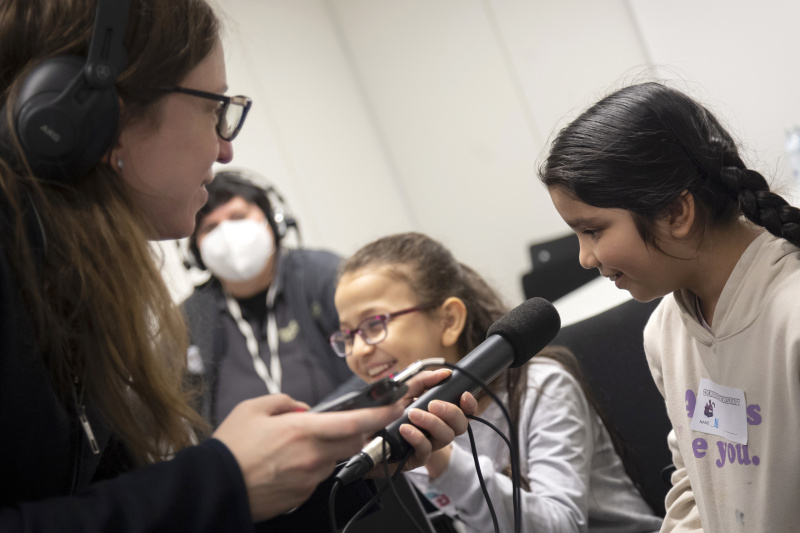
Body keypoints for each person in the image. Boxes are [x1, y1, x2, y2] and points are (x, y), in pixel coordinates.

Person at [0, 1, 473, 531]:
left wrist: (345, 472)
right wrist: (224, 479)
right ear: (99, 115)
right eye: (214, 109)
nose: (226, 149)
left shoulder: (74, 287)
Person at [539, 82, 800, 532]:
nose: (584, 257)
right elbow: (697, 483)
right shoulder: (665, 331)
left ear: (677, 213)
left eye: (594, 231)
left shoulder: (791, 315)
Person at [331, 232, 663, 532]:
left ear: (448, 320)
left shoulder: (541, 388)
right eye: (347, 336)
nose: (358, 350)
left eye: (374, 325)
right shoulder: (394, 427)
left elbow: (562, 526)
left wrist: (443, 461)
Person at [183, 170, 354, 425]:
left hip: (349, 449)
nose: (227, 236)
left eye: (238, 217)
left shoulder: (323, 275)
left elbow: (380, 361)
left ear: (273, 223)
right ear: (197, 252)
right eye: (210, 227)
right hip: (251, 464)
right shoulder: (189, 318)